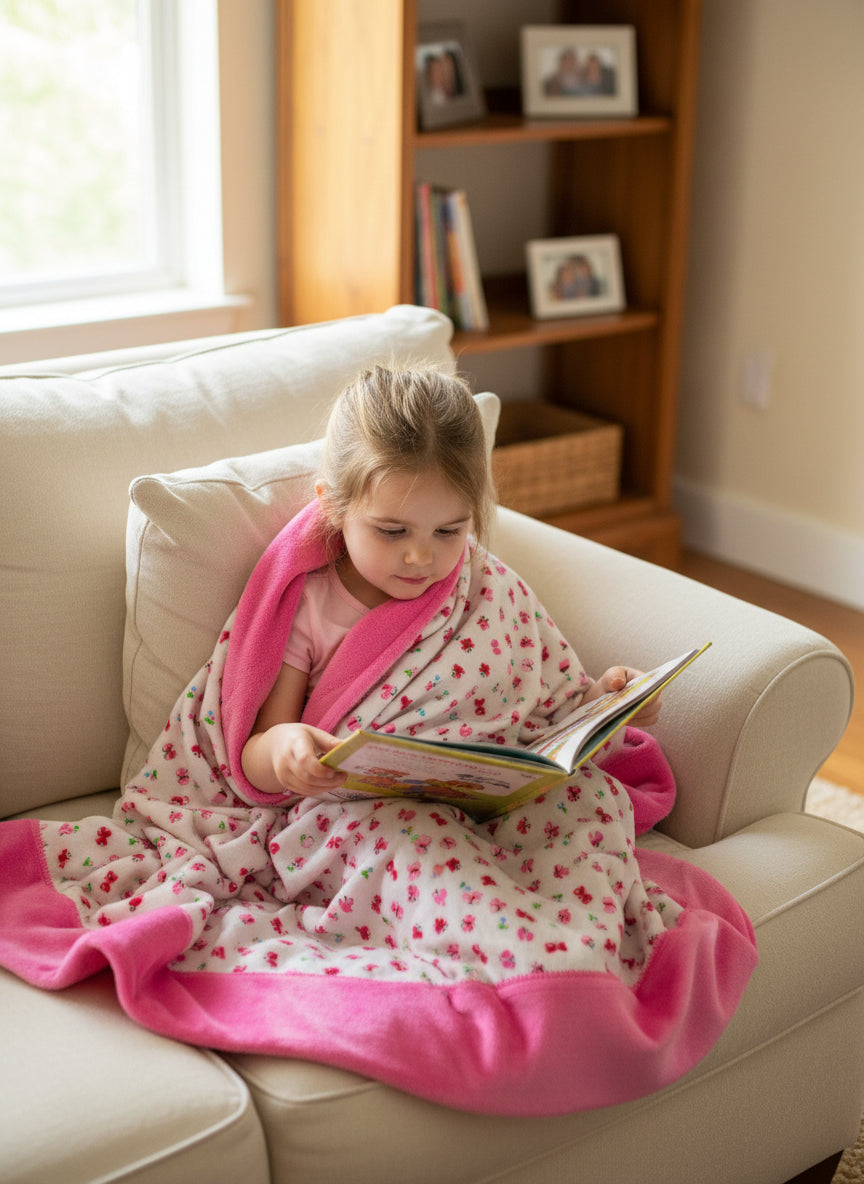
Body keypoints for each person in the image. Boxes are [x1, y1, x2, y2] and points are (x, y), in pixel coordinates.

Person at [240, 365, 660, 799]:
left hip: (486, 800)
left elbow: (558, 719)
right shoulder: (311, 606)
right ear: (332, 506)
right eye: (391, 531)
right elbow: (256, 758)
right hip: (367, 812)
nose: (421, 557)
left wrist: (609, 701)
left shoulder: (484, 585)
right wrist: (284, 750)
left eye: (447, 531)